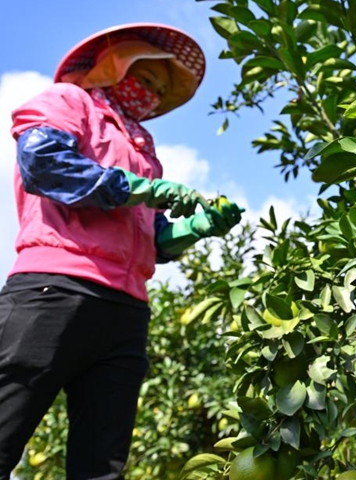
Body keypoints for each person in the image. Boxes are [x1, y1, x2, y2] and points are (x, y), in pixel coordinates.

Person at [0, 23, 243, 480]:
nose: (149, 93)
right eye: (143, 78)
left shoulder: (144, 150)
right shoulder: (69, 102)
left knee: (101, 468)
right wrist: (142, 189)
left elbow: (152, 238)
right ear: (113, 66)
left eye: (157, 89)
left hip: (126, 310)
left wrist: (196, 226)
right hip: (56, 289)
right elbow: (45, 165)